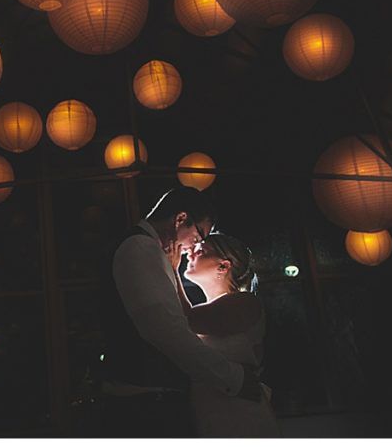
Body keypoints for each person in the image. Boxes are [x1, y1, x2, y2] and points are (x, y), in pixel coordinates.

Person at [99, 187, 261, 437]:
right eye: (198, 236)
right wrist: (235, 379)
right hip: (148, 403)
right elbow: (166, 331)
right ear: (180, 219)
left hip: (156, 401)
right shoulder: (141, 248)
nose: (193, 247)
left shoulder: (147, 249)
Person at [177, 232, 282, 437]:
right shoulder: (207, 308)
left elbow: (188, 320)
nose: (190, 255)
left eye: (201, 251)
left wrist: (171, 269)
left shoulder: (245, 302)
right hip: (210, 410)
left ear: (223, 266)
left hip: (240, 413)